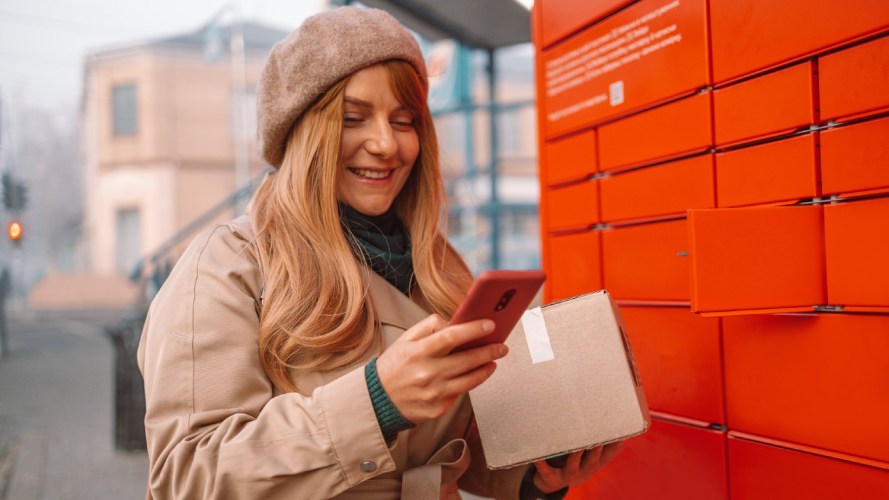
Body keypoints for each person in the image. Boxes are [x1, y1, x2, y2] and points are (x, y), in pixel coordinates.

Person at [137, 6, 620, 499]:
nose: (387, 144)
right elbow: (187, 475)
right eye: (353, 118)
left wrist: (531, 477)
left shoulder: (438, 264)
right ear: (302, 133)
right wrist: (376, 401)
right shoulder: (227, 265)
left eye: (405, 120)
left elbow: (445, 449)